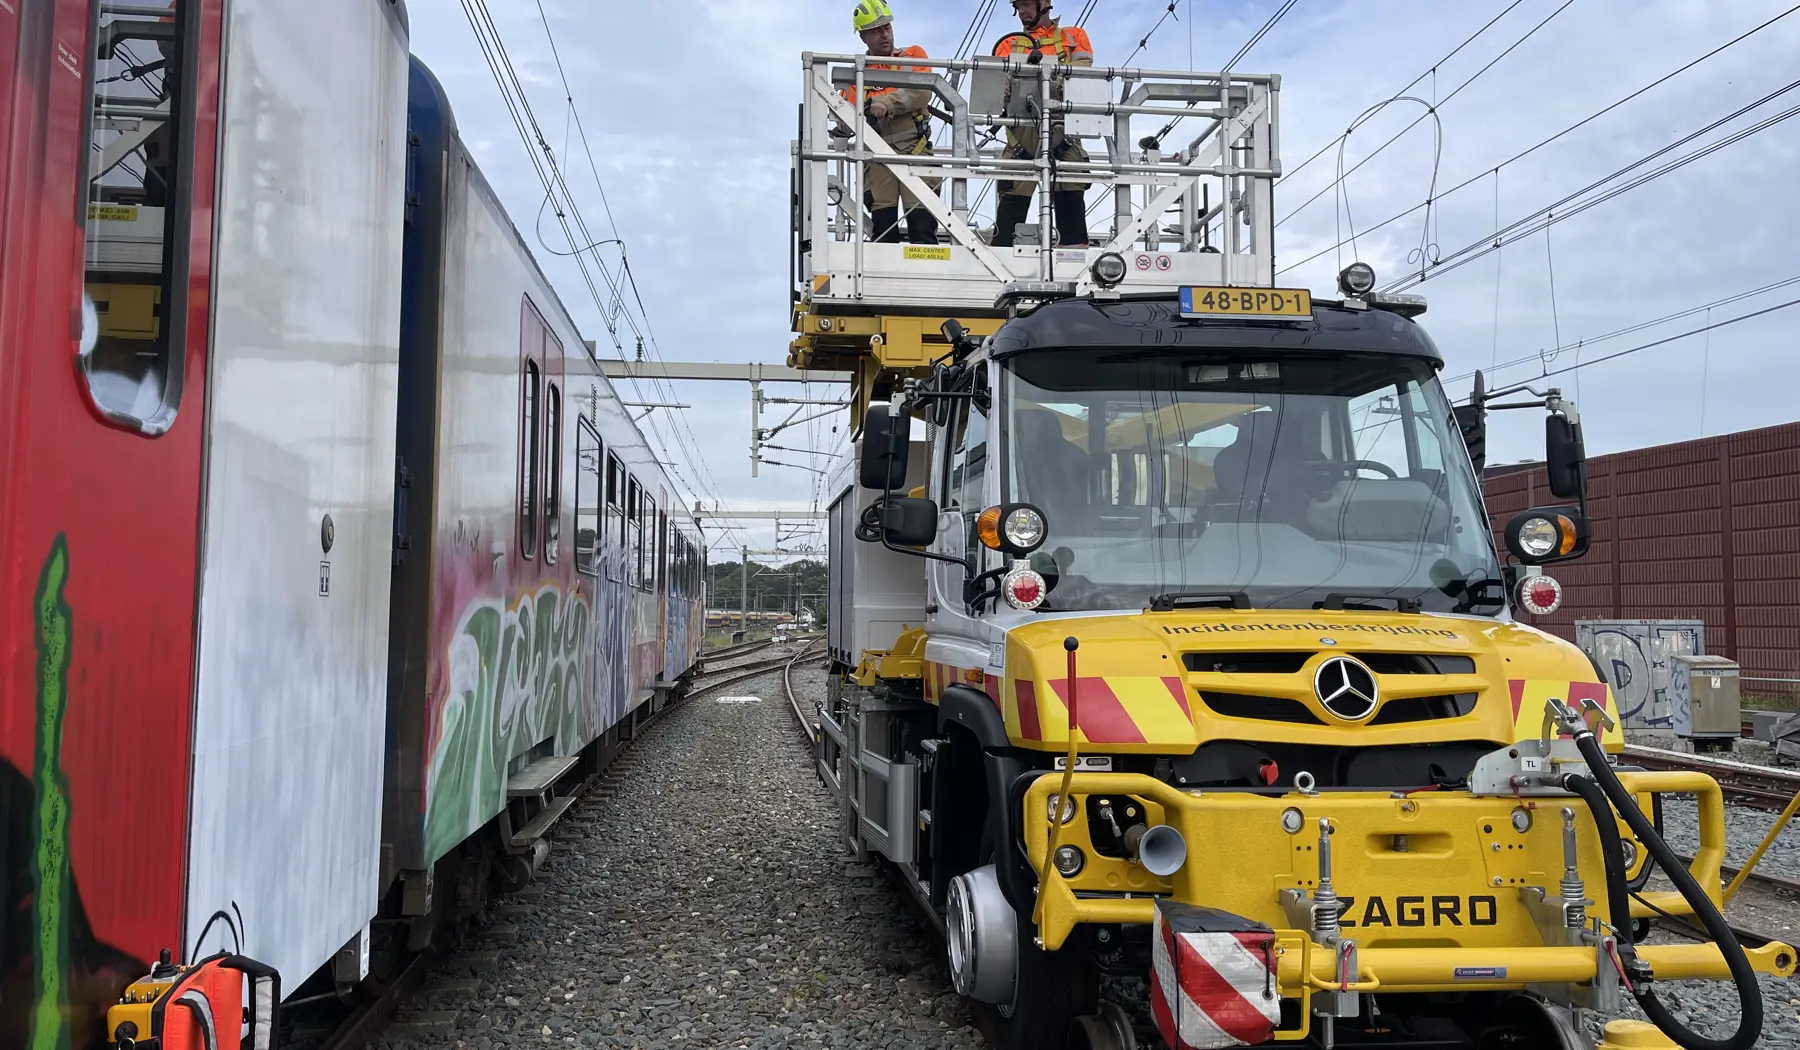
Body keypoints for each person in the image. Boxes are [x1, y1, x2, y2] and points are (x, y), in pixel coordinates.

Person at [992, 0, 1091, 248]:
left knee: (1073, 226)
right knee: (1007, 224)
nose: (1021, 12)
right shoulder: (1008, 43)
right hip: (1021, 139)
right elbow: (996, 81)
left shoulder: (1073, 37)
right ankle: (1001, 265)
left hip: (1064, 136)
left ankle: (1073, 267)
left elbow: (1083, 75)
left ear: (1044, 4)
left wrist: (1049, 80)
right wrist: (1001, 88)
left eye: (1026, 4)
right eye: (1017, 6)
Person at [845, 1, 940, 245]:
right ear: (864, 37)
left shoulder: (913, 56)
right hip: (877, 158)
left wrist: (887, 102)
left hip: (915, 151)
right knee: (884, 231)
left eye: (887, 28)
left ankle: (928, 278)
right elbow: (847, 116)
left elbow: (922, 91)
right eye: (876, 31)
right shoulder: (858, 73)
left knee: (922, 228)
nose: (885, 35)